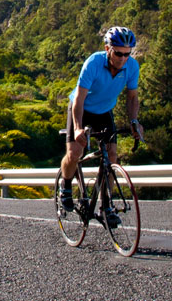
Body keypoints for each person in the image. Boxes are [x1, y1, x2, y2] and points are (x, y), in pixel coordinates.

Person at [59, 26, 144, 226]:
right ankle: (66, 185)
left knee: (112, 156)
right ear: (108, 49)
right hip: (82, 108)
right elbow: (79, 99)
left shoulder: (132, 67)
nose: (123, 58)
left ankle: (106, 206)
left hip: (104, 111)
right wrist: (79, 128)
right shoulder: (93, 63)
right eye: (118, 53)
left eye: (127, 54)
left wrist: (134, 122)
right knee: (74, 152)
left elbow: (132, 98)